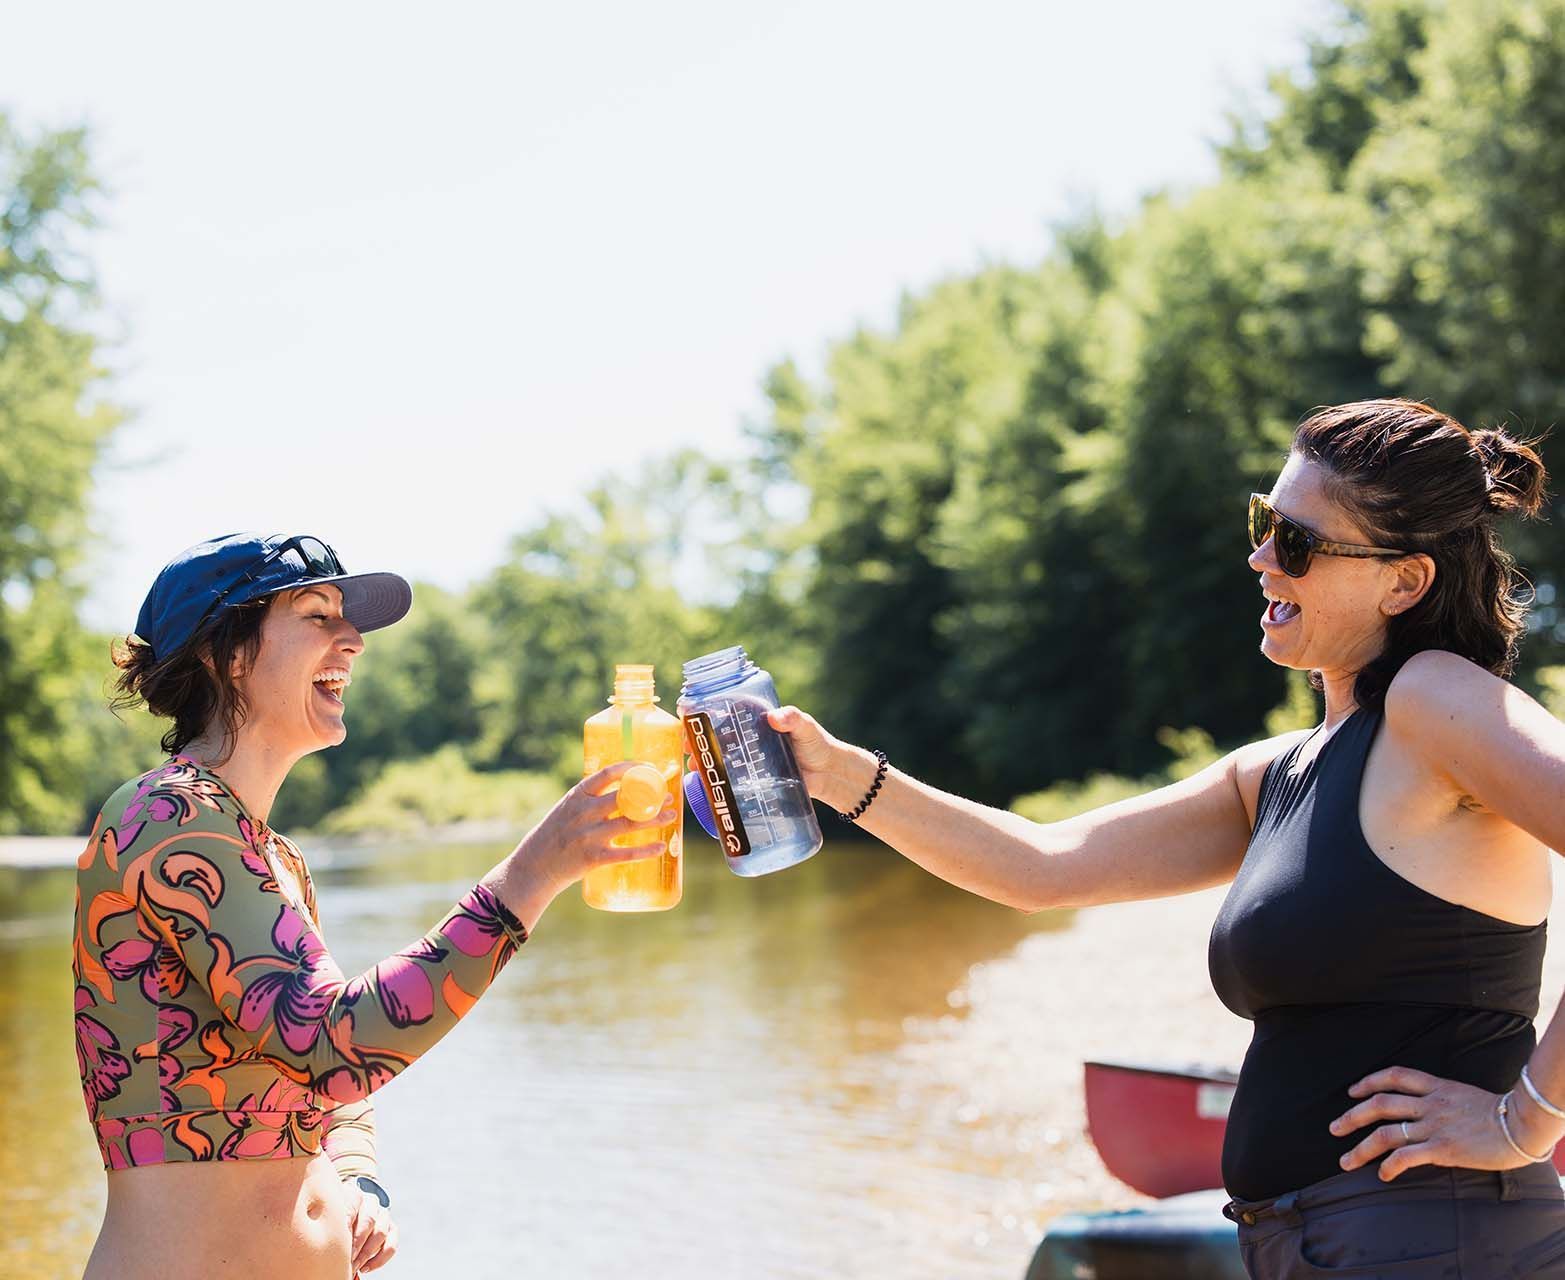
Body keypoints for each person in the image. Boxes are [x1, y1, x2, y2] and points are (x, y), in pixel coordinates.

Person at [768, 399, 1565, 1277]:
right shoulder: (1276, 772)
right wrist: (834, 774)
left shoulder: (1432, 699)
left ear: (1403, 583)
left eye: (1295, 543)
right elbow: (1041, 867)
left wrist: (1522, 1119)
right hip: (1308, 1244)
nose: (1260, 557)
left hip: (1434, 1238)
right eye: (1264, 521)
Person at [74, 533, 672, 1280]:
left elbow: (324, 1083)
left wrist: (356, 1177)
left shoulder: (274, 855)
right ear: (224, 653)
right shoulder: (164, 817)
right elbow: (333, 1044)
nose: (353, 640)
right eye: (318, 615)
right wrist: (531, 875)